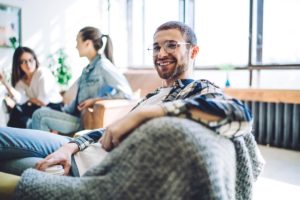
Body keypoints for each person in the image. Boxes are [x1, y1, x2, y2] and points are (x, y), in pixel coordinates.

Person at [0, 21, 262, 200]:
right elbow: (108, 130)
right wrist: (71, 146)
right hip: (77, 148)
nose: (161, 53)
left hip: (90, 168)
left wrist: (146, 114)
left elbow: (240, 114)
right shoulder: (155, 94)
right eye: (157, 47)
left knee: (7, 164)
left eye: (171, 45)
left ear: (194, 51)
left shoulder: (202, 90)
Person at [30, 26, 133, 135]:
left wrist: (95, 101)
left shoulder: (103, 65)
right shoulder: (87, 69)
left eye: (77, 42)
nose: (76, 46)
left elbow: (126, 93)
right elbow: (78, 100)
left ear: (88, 43)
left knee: (39, 115)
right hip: (72, 114)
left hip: (81, 120)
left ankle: (42, 150)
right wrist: (61, 110)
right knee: (34, 118)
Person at [0, 46, 63, 128]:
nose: (28, 64)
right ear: (18, 65)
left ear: (35, 60)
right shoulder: (21, 82)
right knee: (17, 110)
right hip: (38, 108)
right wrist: (4, 82)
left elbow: (42, 101)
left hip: (53, 108)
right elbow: (19, 98)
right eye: (23, 62)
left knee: (21, 115)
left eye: (30, 60)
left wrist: (28, 99)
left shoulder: (42, 73)